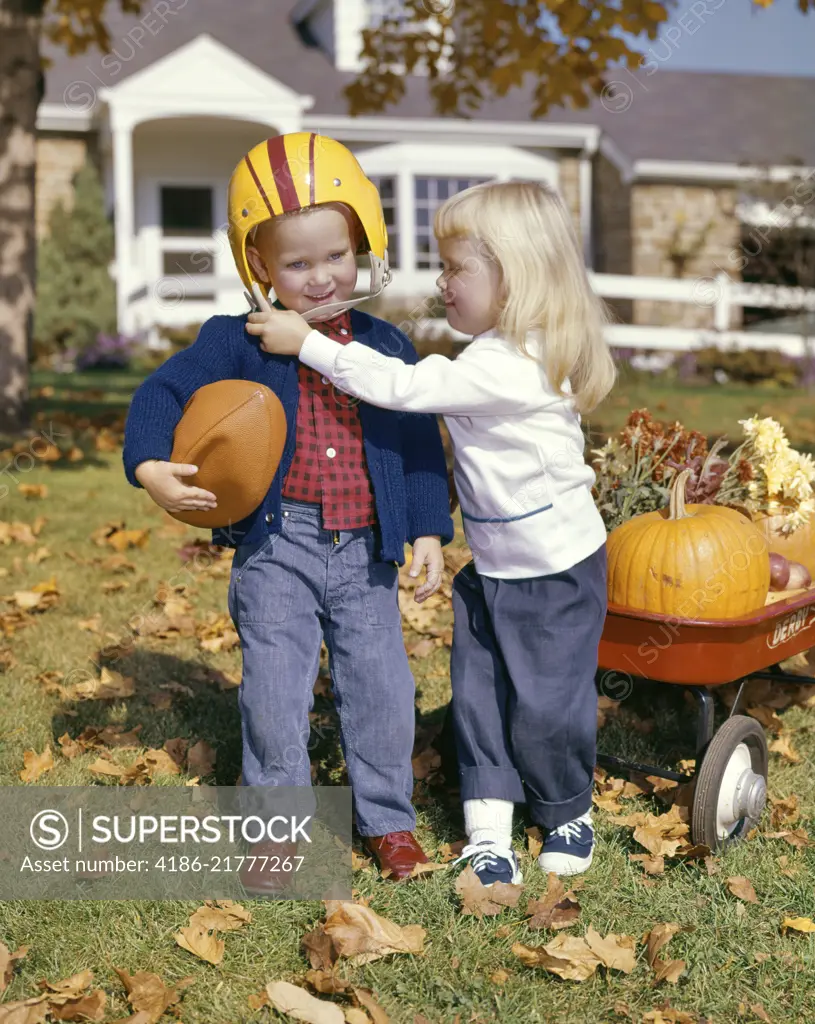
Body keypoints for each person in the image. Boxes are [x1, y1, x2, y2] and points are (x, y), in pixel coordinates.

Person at [246, 179, 616, 883]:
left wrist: (310, 346)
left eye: (455, 269)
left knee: (545, 702)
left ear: (517, 276)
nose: (441, 283)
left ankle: (564, 807)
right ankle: (487, 830)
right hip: (492, 567)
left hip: (554, 572)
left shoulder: (515, 363)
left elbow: (406, 391)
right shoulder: (491, 353)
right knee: (477, 696)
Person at [122, 132, 453, 890]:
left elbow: (415, 442)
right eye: (296, 263)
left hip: (367, 550)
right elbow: (159, 395)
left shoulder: (384, 344)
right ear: (260, 267)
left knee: (381, 686)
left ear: (363, 243)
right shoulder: (238, 341)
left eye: (334, 255)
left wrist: (428, 525)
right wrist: (149, 465)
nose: (318, 275)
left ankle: (387, 819)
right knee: (274, 689)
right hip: (279, 545)